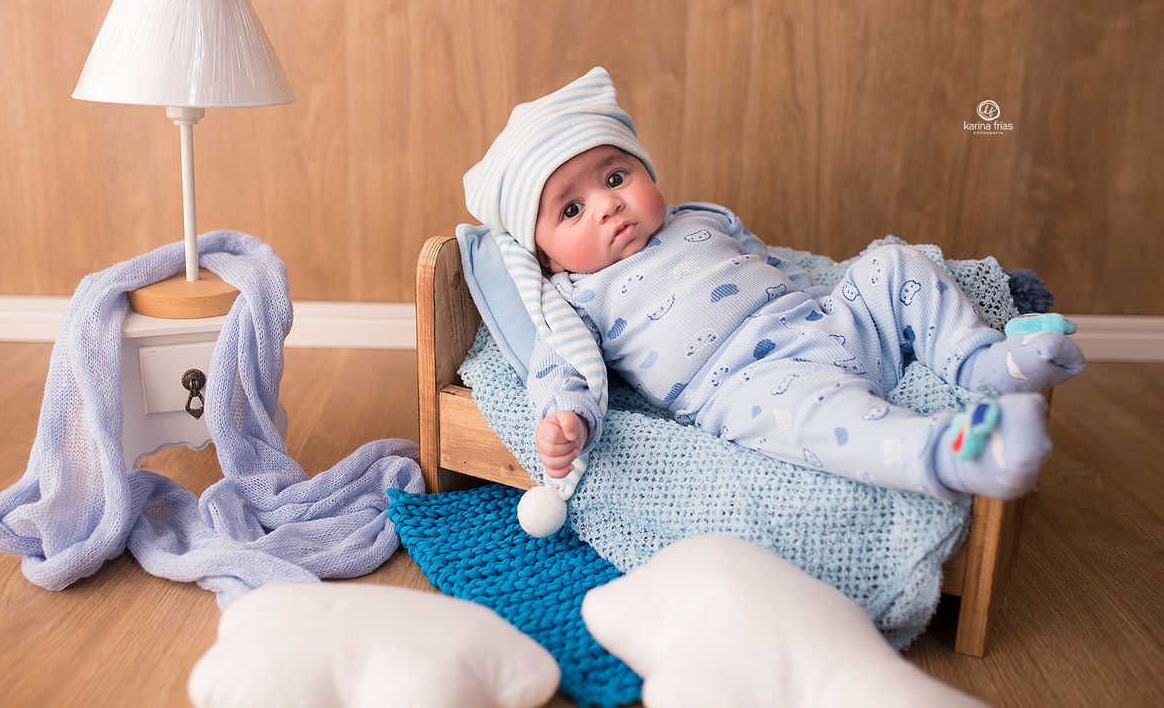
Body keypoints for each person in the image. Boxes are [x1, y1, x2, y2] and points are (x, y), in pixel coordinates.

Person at [463, 67, 1085, 502]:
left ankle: (983, 363)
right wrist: (564, 418)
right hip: (747, 383)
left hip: (827, 326)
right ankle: (946, 452)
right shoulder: (571, 298)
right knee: (811, 423)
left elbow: (771, 267)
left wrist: (834, 303)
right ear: (545, 256)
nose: (606, 206)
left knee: (891, 262)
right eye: (571, 211)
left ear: (645, 170)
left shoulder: (701, 218)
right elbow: (562, 367)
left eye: (617, 176)